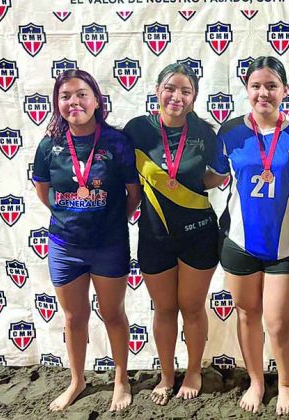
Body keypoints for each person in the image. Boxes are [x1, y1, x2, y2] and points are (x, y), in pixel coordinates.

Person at [206, 56, 289, 415]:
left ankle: (284, 384)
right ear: (247, 89)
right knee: (247, 315)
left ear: (285, 90)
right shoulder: (230, 131)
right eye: (256, 86)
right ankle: (255, 381)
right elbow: (213, 176)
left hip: (283, 244)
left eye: (271, 86)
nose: (263, 93)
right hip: (238, 242)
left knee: (279, 323)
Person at [33, 69, 141, 412]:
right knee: (73, 318)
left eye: (82, 94)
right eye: (65, 96)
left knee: (113, 314)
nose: (74, 102)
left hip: (109, 245)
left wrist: (109, 220)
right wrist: (72, 216)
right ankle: (77, 380)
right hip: (65, 247)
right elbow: (43, 191)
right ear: (57, 103)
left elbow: (133, 193)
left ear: (96, 100)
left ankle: (121, 380)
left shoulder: (117, 142)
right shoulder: (49, 145)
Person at [123, 63, 219, 405]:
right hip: (154, 235)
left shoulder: (205, 133)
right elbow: (125, 175)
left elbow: (218, 175)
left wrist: (184, 187)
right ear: (157, 90)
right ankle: (166, 375)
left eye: (185, 91)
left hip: (199, 233)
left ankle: (193, 372)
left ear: (194, 97)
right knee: (164, 309)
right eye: (170, 88)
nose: (177, 96)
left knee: (192, 308)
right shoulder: (137, 130)